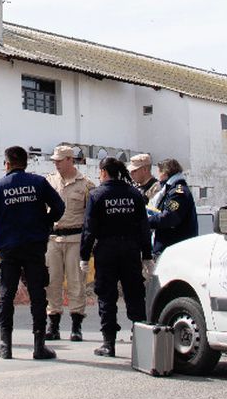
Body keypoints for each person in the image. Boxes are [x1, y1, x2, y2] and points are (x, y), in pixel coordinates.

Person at [0, 145, 66, 360]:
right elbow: (59, 206)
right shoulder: (38, 182)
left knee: (6, 296)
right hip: (34, 246)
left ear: (7, 164)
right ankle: (39, 346)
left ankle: (6, 346)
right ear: (26, 163)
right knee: (38, 295)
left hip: (9, 249)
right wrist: (45, 223)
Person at [80, 157, 152, 357]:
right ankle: (141, 341)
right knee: (135, 295)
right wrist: (147, 255)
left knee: (106, 296)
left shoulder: (97, 195)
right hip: (130, 250)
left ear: (103, 172)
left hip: (106, 251)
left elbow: (89, 229)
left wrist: (84, 256)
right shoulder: (135, 194)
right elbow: (143, 228)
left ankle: (108, 343)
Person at [43, 143, 95, 342]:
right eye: (54, 161)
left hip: (75, 238)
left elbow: (91, 216)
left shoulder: (86, 184)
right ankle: (53, 324)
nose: (56, 164)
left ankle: (76, 325)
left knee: (76, 283)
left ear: (69, 160)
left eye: (59, 161)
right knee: (52, 282)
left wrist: (90, 244)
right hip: (53, 238)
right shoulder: (49, 182)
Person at [147, 157, 199, 257]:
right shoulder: (171, 190)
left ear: (165, 173)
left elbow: (169, 217)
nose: (158, 178)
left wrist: (146, 221)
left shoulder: (178, 192)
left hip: (175, 251)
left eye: (159, 173)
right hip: (170, 249)